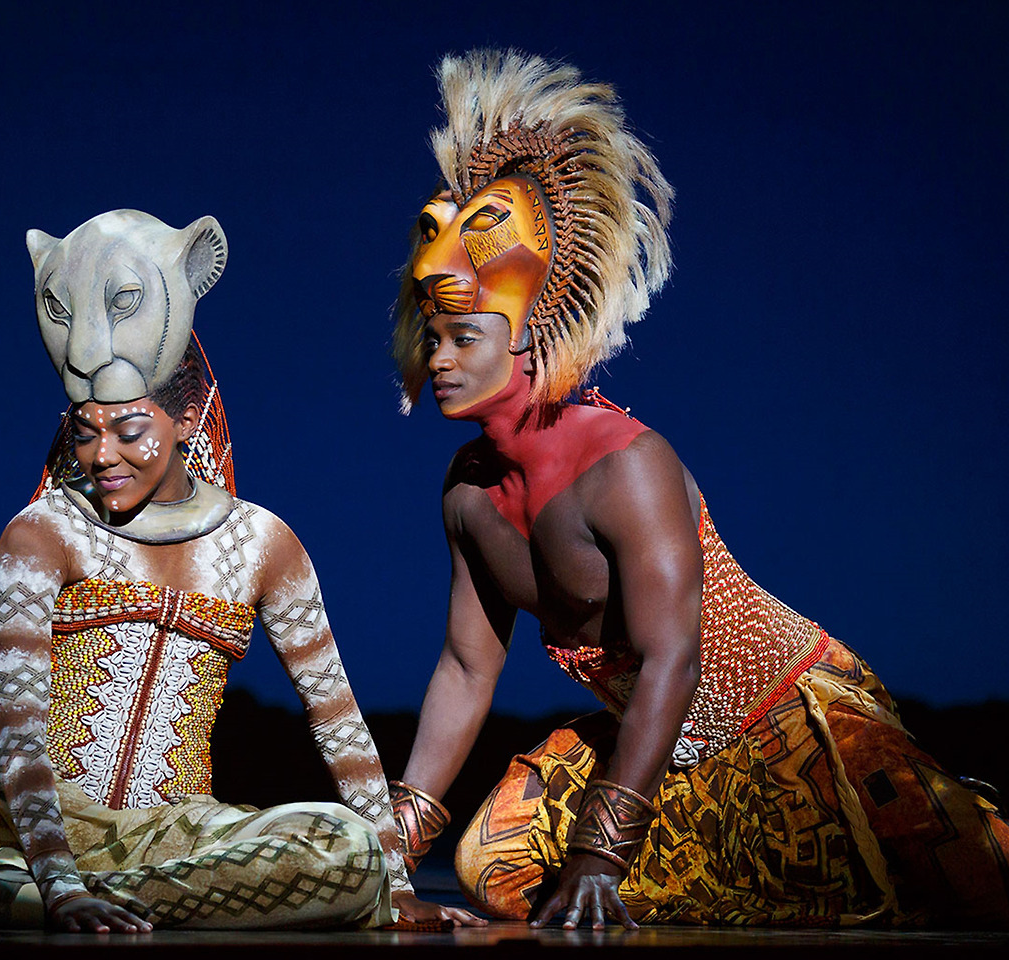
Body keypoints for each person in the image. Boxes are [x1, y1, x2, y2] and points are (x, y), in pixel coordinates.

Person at [385, 50, 1009, 929]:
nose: (441, 359)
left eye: (463, 339)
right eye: (435, 339)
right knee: (491, 866)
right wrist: (394, 844)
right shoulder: (467, 493)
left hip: (786, 723)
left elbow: (671, 660)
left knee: (975, 878)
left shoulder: (625, 462)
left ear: (525, 337)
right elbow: (464, 667)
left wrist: (601, 852)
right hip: (660, 749)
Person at [0, 209, 475, 931]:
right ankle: (34, 886)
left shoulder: (263, 543)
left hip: (169, 831)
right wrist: (57, 877)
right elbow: (17, 732)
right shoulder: (43, 531)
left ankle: (6, 901)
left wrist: (394, 883)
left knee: (347, 853)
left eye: (129, 430)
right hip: (8, 809)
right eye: (85, 432)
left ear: (184, 421)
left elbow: (337, 720)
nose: (102, 455)